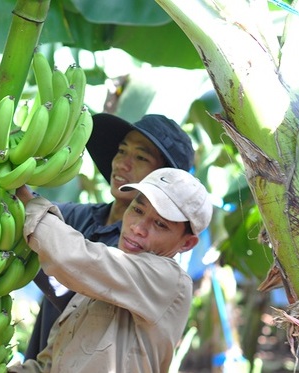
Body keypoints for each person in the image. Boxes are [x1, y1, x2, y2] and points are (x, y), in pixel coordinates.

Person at [7, 167, 213, 372]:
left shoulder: (171, 281)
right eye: (137, 210)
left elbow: (71, 257)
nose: (138, 228)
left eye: (160, 224)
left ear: (186, 243)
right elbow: (51, 366)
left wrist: (27, 202)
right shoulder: (98, 286)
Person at [25, 113, 195, 360]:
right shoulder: (80, 216)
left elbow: (73, 258)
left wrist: (25, 202)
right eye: (122, 150)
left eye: (140, 157)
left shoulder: (147, 259)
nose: (122, 163)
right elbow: (32, 214)